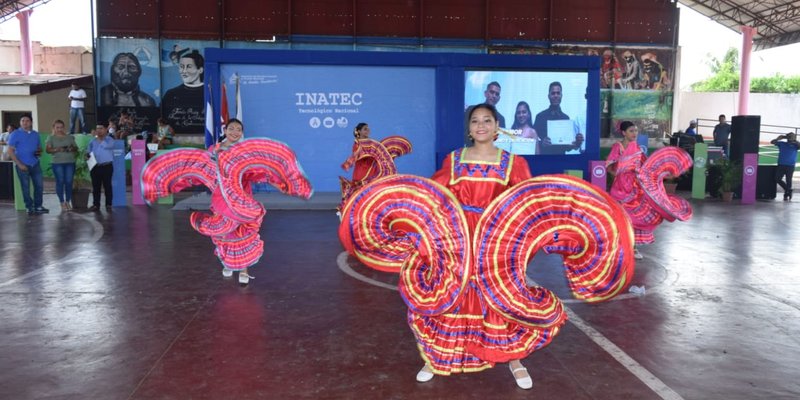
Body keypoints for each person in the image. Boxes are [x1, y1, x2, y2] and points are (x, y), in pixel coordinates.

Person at [415, 103, 534, 389]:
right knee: (455, 293)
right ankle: (437, 356)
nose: (481, 125)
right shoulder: (454, 159)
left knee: (501, 295)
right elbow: (437, 197)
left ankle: (513, 358)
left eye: (487, 120)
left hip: (495, 241)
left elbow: (524, 204)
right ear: (469, 129)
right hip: (461, 238)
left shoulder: (513, 163)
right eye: (475, 121)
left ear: (496, 127)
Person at [212, 119, 253, 283]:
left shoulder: (246, 151)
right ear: (225, 130)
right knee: (224, 232)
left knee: (243, 233)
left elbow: (251, 172)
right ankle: (228, 264)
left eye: (238, 129)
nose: (235, 132)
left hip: (242, 196)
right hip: (221, 198)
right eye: (231, 129)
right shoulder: (215, 150)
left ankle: (244, 269)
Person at [606, 121, 648, 259]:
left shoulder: (637, 148)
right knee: (620, 217)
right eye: (631, 131)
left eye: (636, 131)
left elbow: (643, 167)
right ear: (624, 133)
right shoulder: (617, 147)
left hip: (634, 188)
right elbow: (609, 166)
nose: (634, 133)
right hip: (620, 188)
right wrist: (621, 176)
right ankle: (618, 246)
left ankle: (633, 248)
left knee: (634, 218)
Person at [7, 115, 48, 215]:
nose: (25, 122)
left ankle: (38, 206)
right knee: (25, 187)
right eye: (22, 120)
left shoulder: (35, 134)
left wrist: (39, 151)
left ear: (31, 122)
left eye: (27, 121)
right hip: (22, 165)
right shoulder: (15, 134)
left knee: (39, 186)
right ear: (20, 122)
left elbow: (39, 149)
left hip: (35, 164)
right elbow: (10, 151)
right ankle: (29, 207)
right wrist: (19, 164)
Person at [532, 81, 584, 155]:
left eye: (558, 93)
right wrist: (542, 143)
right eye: (553, 93)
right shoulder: (540, 117)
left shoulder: (566, 118)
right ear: (548, 96)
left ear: (561, 95)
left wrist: (577, 143)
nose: (555, 95)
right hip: (543, 161)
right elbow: (532, 141)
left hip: (561, 162)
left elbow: (567, 147)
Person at [161, 50, 205, 134]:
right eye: (181, 67)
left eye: (189, 66)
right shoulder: (170, 94)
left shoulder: (209, 93)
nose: (184, 71)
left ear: (200, 70)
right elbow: (162, 121)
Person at [45, 120, 77, 212]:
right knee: (60, 181)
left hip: (70, 162)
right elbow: (48, 150)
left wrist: (71, 148)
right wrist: (56, 149)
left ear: (64, 127)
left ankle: (68, 201)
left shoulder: (70, 137)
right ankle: (62, 202)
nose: (59, 129)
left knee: (69, 182)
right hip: (57, 162)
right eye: (57, 127)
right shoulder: (50, 138)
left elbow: (76, 148)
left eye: (61, 127)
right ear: (54, 128)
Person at [87, 123, 115, 211]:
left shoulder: (110, 140)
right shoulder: (92, 141)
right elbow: (88, 152)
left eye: (101, 128)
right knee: (96, 187)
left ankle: (109, 204)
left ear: (106, 129)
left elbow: (107, 146)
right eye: (97, 128)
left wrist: (98, 138)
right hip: (95, 167)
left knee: (107, 186)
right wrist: (87, 155)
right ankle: (96, 205)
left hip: (106, 166)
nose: (98, 130)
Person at [770, 132, 799, 201]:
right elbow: (772, 142)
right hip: (781, 164)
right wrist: (779, 138)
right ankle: (788, 190)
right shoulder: (782, 143)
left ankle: (787, 194)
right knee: (777, 178)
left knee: (788, 180)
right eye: (789, 137)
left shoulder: (796, 145)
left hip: (790, 165)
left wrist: (794, 140)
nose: (790, 138)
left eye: (791, 137)